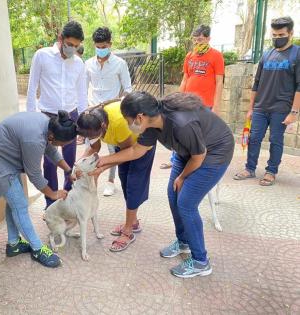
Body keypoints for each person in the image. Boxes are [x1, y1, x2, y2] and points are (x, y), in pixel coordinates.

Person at [96, 92, 234, 278]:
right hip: (187, 152)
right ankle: (184, 241)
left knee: (186, 203)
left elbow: (199, 156)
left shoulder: (181, 124)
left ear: (139, 117)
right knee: (173, 194)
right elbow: (137, 150)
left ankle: (201, 261)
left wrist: (183, 177)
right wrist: (103, 161)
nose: (129, 125)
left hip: (213, 154)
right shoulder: (150, 124)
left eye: (128, 120)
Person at [0, 111, 77, 268]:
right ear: (52, 137)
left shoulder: (49, 125)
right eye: (64, 144)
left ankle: (13, 244)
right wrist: (53, 194)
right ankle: (38, 249)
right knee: (20, 205)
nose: (64, 147)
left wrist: (68, 171)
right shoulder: (34, 140)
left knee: (15, 202)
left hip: (5, 155)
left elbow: (51, 150)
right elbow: (35, 175)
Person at [76, 100, 155, 252]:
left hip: (141, 145)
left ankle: (128, 231)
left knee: (133, 185)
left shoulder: (119, 123)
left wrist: (102, 167)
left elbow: (129, 153)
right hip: (125, 146)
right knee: (125, 179)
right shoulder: (90, 121)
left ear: (103, 126)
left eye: (92, 135)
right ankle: (133, 222)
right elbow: (95, 146)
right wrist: (78, 164)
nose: (90, 138)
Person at [26, 21, 87, 209]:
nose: (73, 49)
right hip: (47, 116)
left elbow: (82, 92)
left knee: (69, 159)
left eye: (77, 46)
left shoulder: (78, 63)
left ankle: (68, 198)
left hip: (71, 115)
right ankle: (50, 202)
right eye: (70, 44)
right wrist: (32, 118)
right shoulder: (42, 56)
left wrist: (82, 123)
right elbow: (32, 87)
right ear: (61, 39)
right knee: (50, 161)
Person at [234, 16, 299, 186]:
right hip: (260, 107)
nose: (277, 38)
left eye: (281, 34)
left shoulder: (296, 54)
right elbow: (256, 83)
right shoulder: (267, 54)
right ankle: (250, 168)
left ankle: (271, 171)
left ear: (290, 33)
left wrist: (294, 112)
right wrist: (250, 108)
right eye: (275, 35)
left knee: (276, 140)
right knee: (254, 138)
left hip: (281, 107)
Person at [162, 25, 225, 169]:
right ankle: (175, 159)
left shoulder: (216, 56)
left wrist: (216, 106)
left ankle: (203, 161)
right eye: (195, 41)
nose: (198, 43)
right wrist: (177, 99)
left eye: (201, 40)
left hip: (205, 103)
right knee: (180, 130)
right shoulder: (189, 56)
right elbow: (185, 78)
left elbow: (219, 81)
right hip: (187, 102)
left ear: (208, 39)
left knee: (202, 133)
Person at [86, 27, 132, 196]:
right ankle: (92, 181)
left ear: (110, 44)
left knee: (113, 150)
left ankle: (111, 182)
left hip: (111, 114)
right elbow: (83, 88)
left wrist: (113, 103)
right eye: (98, 46)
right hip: (92, 115)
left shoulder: (120, 64)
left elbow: (128, 90)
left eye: (104, 45)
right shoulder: (88, 64)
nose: (101, 49)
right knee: (93, 148)